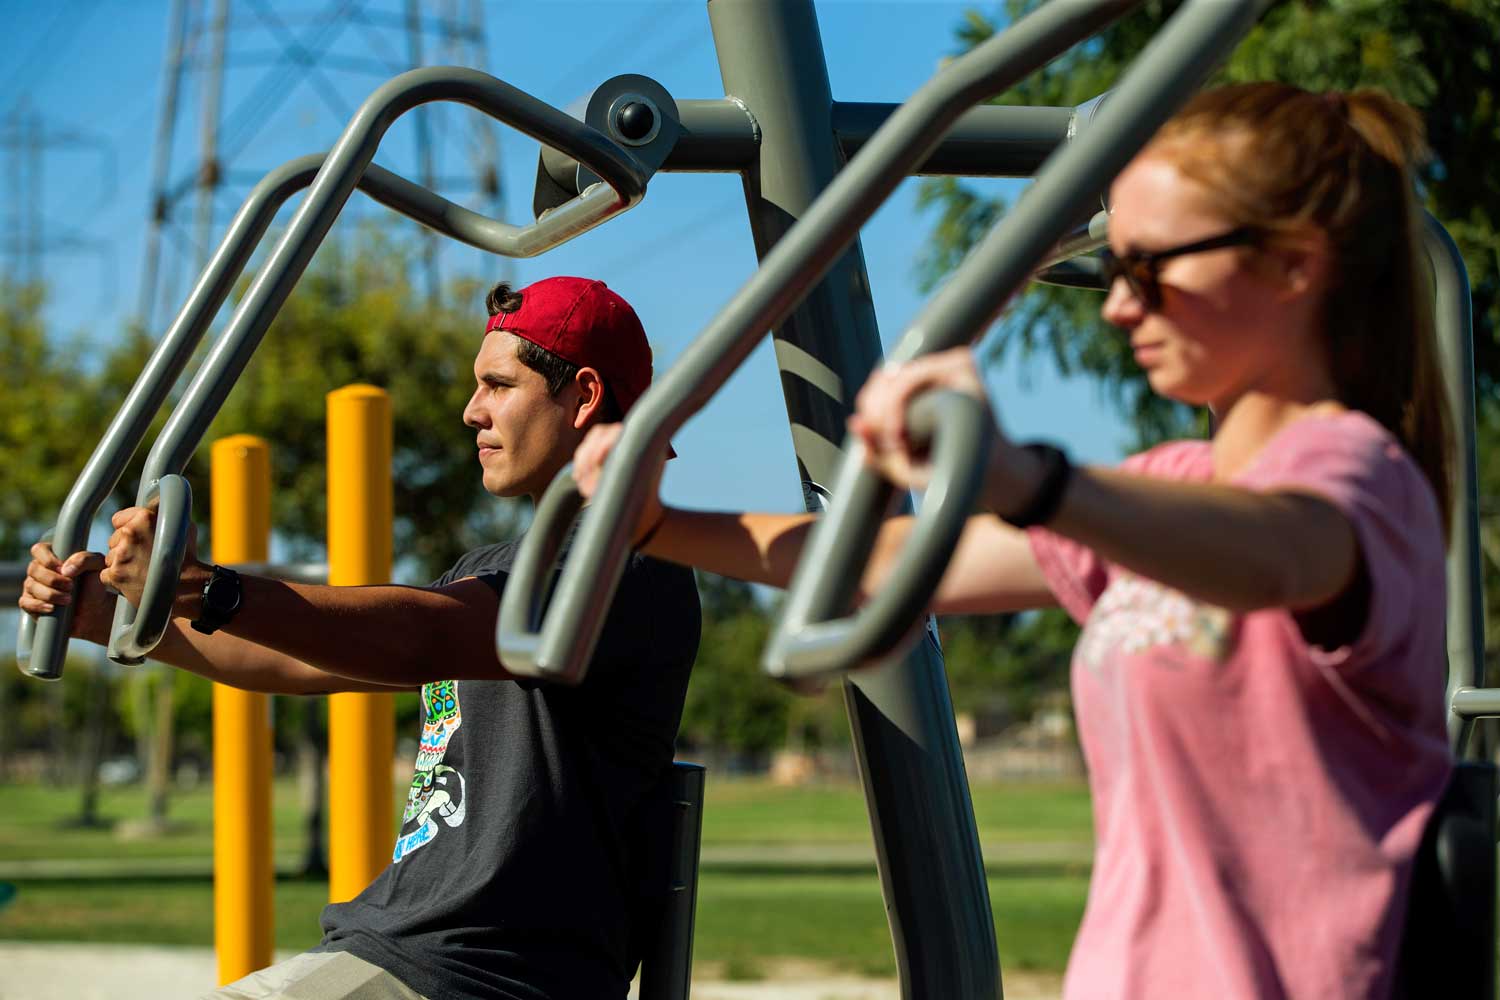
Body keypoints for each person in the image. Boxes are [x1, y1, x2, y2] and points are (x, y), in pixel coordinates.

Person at [574, 83, 1453, 1000]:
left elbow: (1284, 549)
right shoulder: (1168, 487)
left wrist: (1032, 480)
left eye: (1152, 269)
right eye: (1117, 270)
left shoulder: (1362, 479)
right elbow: (883, 566)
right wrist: (662, 525)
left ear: (1293, 265)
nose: (1118, 306)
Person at [20, 276, 702, 1000]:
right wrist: (121, 621)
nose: (472, 412)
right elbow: (291, 659)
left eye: (499, 386)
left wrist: (213, 588)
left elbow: (422, 638)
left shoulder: (631, 561)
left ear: (584, 397)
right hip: (403, 953)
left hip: (484, 974)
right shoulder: (489, 571)